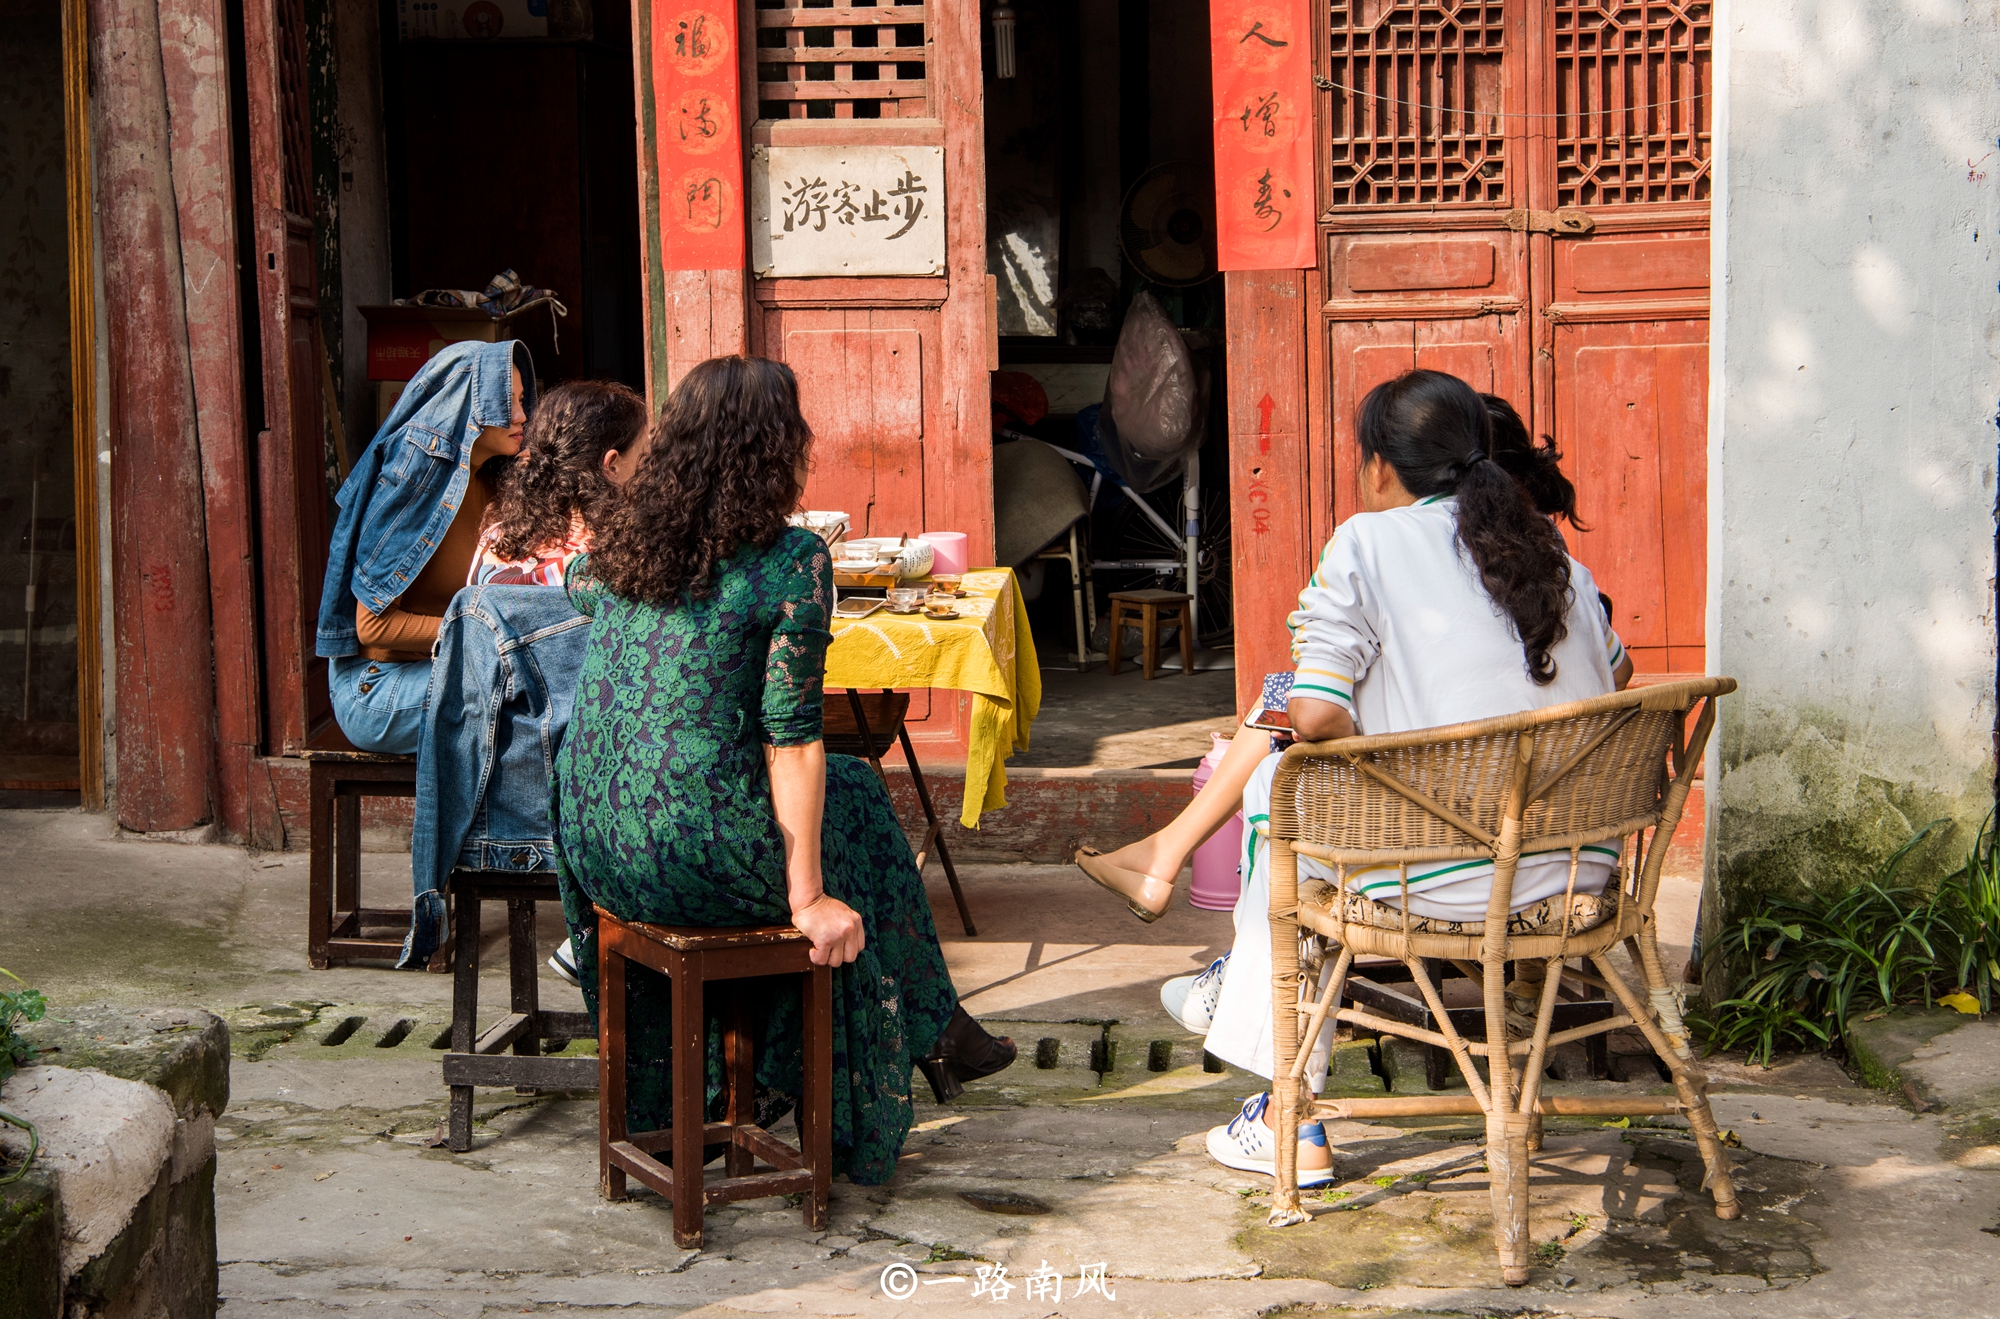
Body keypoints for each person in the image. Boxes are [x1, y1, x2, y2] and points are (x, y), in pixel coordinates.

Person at [1086, 370, 1631, 1183]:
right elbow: (1618, 677)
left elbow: (1311, 713)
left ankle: (1290, 1116)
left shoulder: (1367, 542)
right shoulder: (1553, 558)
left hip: (1441, 876)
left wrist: (1383, 733)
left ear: (1379, 465)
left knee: (1283, 793)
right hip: (1573, 866)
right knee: (1289, 791)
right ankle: (1234, 1002)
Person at [549, 355, 1015, 1186]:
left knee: (851, 794)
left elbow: (577, 578)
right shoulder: (792, 560)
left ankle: (896, 1040)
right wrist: (807, 900)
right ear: (777, 452)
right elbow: (792, 737)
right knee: (854, 810)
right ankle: (920, 1034)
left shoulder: (619, 549)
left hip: (595, 847)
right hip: (689, 851)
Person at [317, 340, 532, 753]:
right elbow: (373, 627)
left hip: (446, 665)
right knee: (523, 698)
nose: (522, 416)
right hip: (376, 684)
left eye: (522, 401)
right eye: (507, 402)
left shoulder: (492, 480)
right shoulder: (414, 481)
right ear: (471, 405)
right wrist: (486, 634)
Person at [469, 379, 650, 588]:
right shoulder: (629, 557)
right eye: (644, 454)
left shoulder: (497, 539)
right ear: (612, 465)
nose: (651, 466)